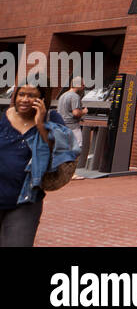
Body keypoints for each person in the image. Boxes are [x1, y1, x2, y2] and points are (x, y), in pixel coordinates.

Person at [1, 79, 77, 247]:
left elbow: (60, 154)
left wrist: (41, 124)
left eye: (31, 96)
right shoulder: (3, 115)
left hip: (26, 199)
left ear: (42, 99)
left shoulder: (52, 119)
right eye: (21, 94)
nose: (25, 99)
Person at [56, 77, 87, 154]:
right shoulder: (75, 96)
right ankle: (74, 166)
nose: (84, 86)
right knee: (77, 150)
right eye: (82, 85)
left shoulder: (63, 95)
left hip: (61, 128)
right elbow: (76, 113)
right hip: (73, 128)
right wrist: (84, 111)